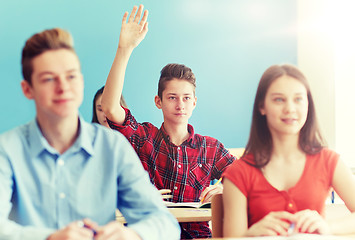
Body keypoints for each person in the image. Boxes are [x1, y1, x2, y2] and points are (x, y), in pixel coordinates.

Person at [0, 27, 180, 240]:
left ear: (81, 82)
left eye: (71, 76)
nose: (63, 87)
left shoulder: (113, 147)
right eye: (49, 79)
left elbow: (164, 224)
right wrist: (49, 238)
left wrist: (132, 235)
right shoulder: (7, 150)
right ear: (28, 89)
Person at [101, 5, 236, 239]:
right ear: (158, 101)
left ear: (194, 102)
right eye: (172, 98)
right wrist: (124, 49)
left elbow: (244, 174)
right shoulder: (145, 138)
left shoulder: (210, 148)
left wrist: (225, 189)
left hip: (198, 235)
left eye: (186, 98)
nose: (179, 105)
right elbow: (111, 108)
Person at [222, 64, 355, 237]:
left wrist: (327, 228)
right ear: (262, 106)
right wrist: (250, 235)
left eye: (298, 99)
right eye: (279, 99)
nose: (290, 109)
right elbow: (232, 238)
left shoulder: (329, 161)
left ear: (308, 105)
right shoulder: (238, 172)